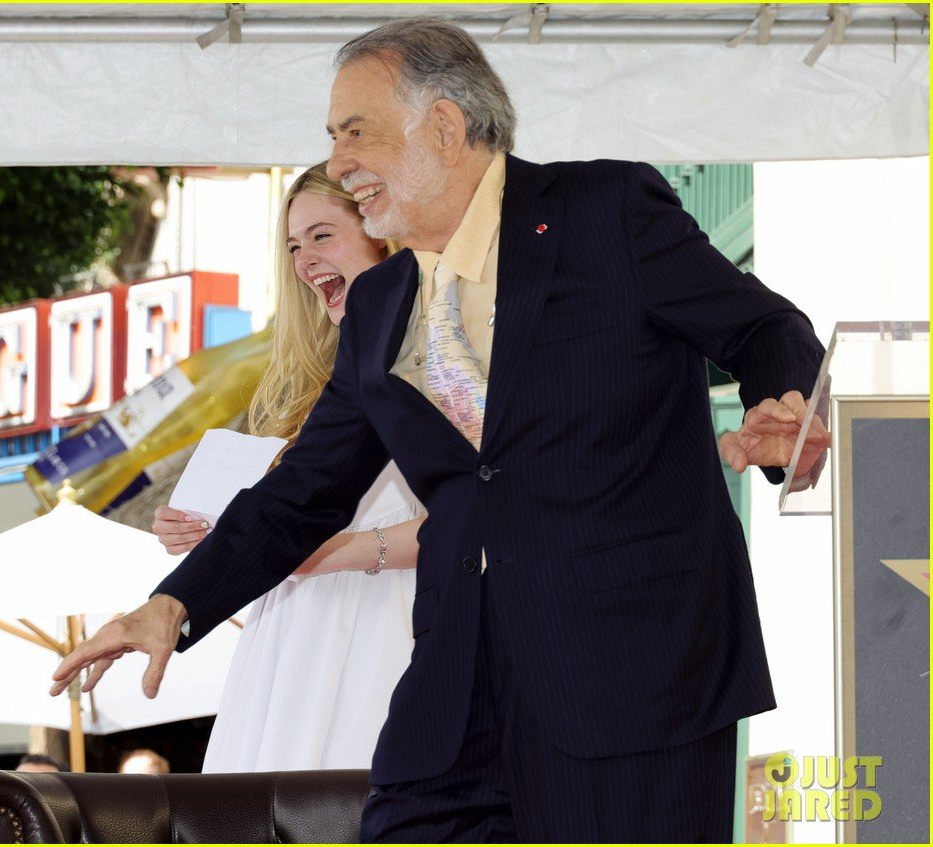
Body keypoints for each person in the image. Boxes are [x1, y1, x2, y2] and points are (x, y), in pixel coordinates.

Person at [53, 17, 830, 843]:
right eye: (333, 138)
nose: (341, 161)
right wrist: (174, 605)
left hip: (629, 678)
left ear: (446, 125)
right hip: (453, 696)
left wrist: (786, 401)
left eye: (357, 132)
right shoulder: (380, 307)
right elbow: (303, 492)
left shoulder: (606, 212)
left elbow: (762, 326)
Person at [151, 163, 423, 772]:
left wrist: (328, 552)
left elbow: (477, 521)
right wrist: (203, 533)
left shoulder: (435, 359)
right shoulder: (308, 388)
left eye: (323, 235)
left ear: (383, 232)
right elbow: (286, 513)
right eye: (294, 246)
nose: (304, 261)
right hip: (289, 646)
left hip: (389, 635)